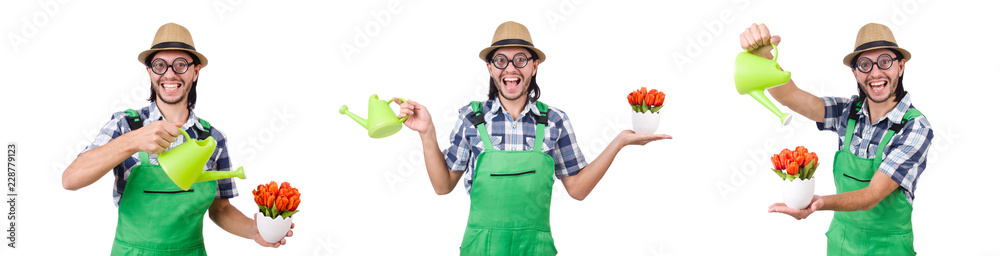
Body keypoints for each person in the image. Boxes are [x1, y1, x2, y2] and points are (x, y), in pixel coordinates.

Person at [393, 21, 671, 255]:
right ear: (490, 68)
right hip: (481, 248)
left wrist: (618, 142)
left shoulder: (555, 121)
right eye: (500, 60)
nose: (510, 69)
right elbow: (443, 186)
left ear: (534, 66)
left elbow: (578, 190)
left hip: (535, 249)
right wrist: (427, 132)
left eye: (520, 60)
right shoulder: (471, 117)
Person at [61, 23, 293, 255]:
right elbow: (70, 179)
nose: (170, 74)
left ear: (195, 71)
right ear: (149, 71)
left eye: (180, 64)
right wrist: (133, 141)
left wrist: (253, 230)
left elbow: (220, 209)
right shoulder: (125, 125)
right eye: (160, 65)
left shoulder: (212, 139)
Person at [740, 23, 933, 255]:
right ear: (855, 73)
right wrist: (763, 58)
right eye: (865, 64)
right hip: (841, 245)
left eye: (885, 61)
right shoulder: (847, 112)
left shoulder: (915, 127)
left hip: (888, 249)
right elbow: (792, 96)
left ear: (900, 67)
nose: (875, 73)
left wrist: (817, 203)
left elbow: (872, 195)